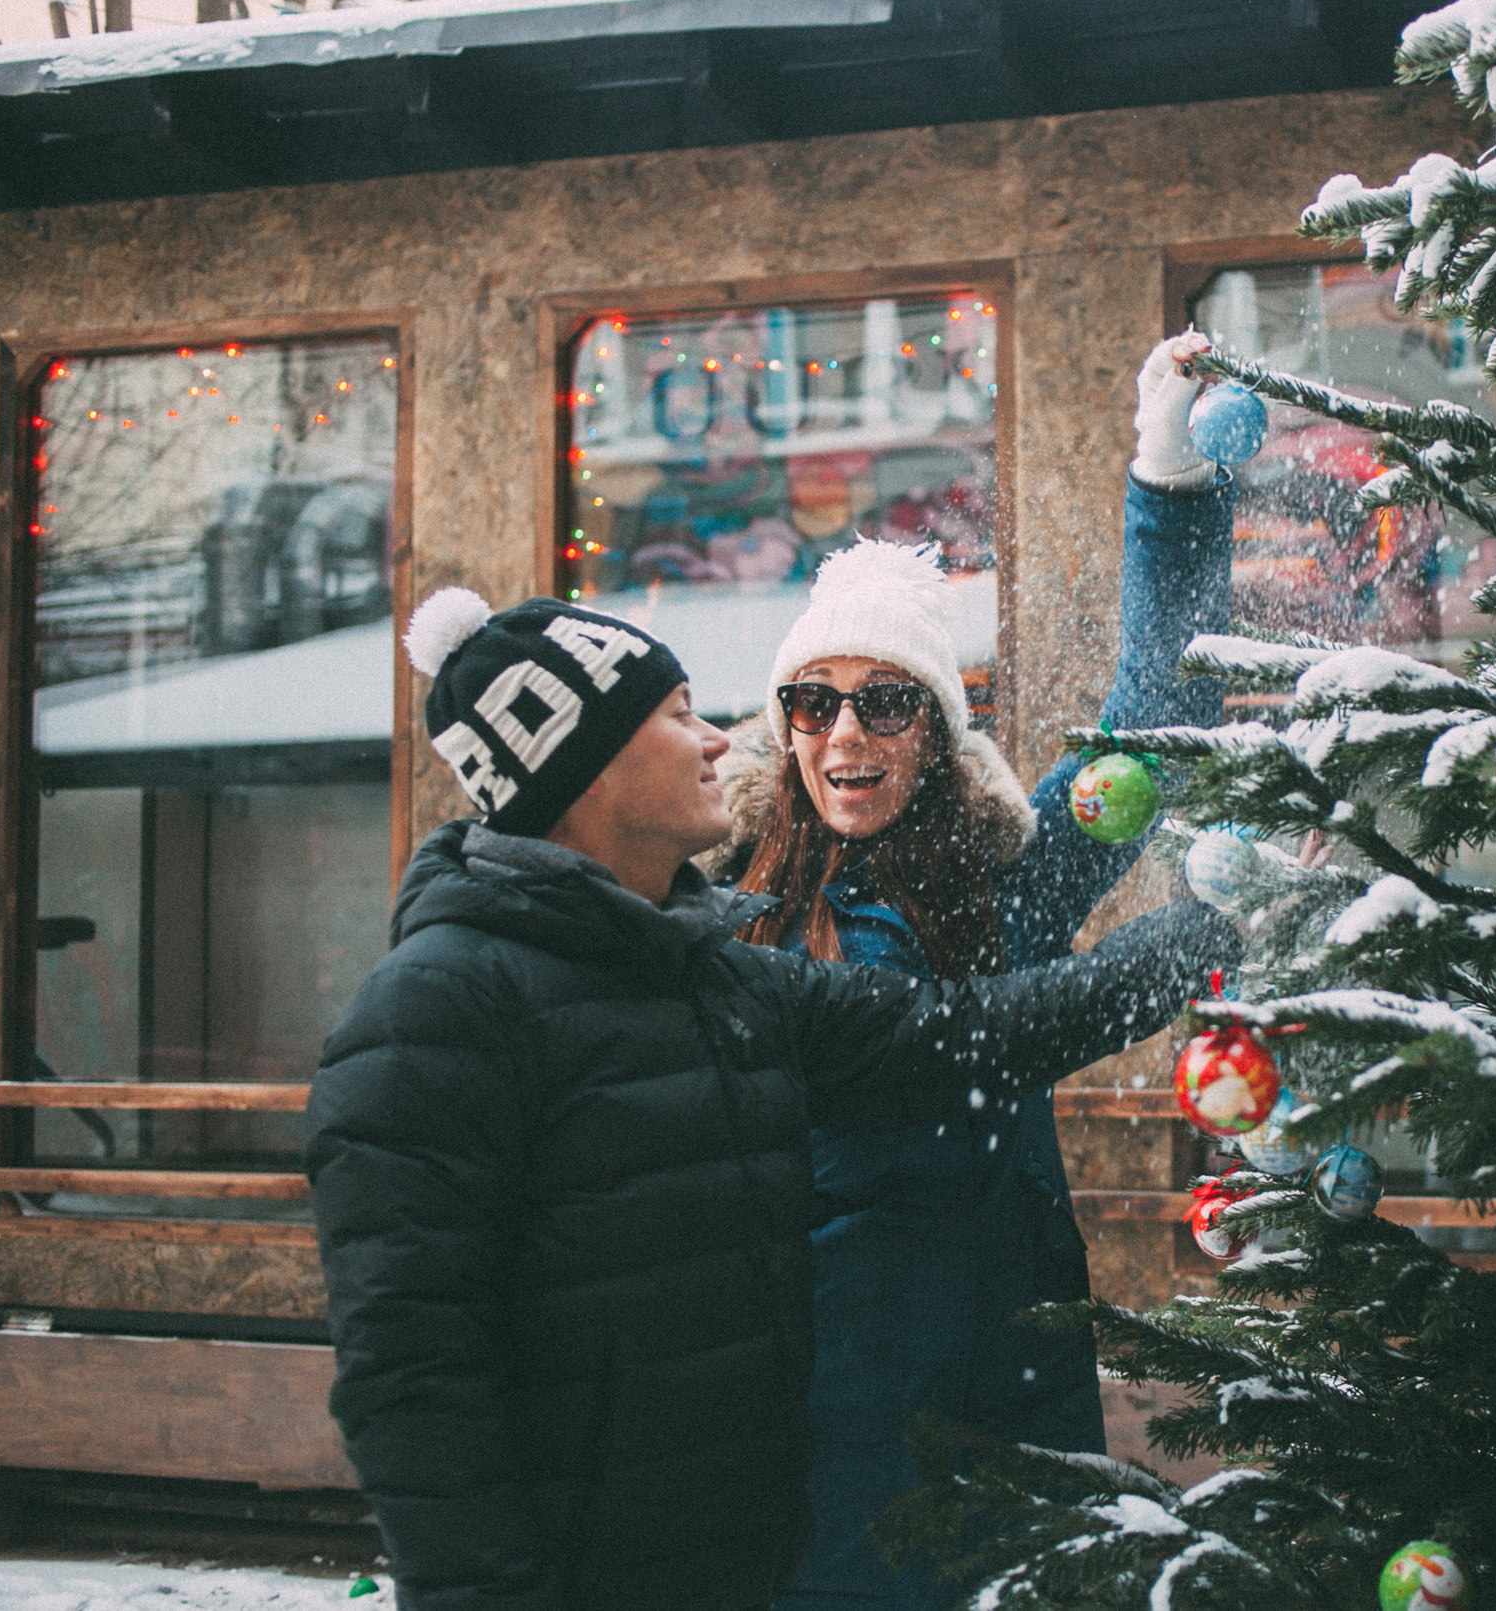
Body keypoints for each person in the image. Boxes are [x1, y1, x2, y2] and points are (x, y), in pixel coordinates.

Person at [305, 589, 1233, 1611]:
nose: (716, 741)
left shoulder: (716, 978)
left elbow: (957, 1038)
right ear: (590, 767)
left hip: (747, 1554)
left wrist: (1206, 931)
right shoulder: (436, 1010)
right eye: (676, 714)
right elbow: (413, 1381)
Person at [698, 333, 1236, 1611]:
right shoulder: (729, 916)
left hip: (1014, 1374)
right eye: (812, 704)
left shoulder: (1013, 878)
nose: (845, 736)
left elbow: (1156, 718)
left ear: (937, 731)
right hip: (824, 1412)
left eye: (887, 703)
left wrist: (1164, 480)